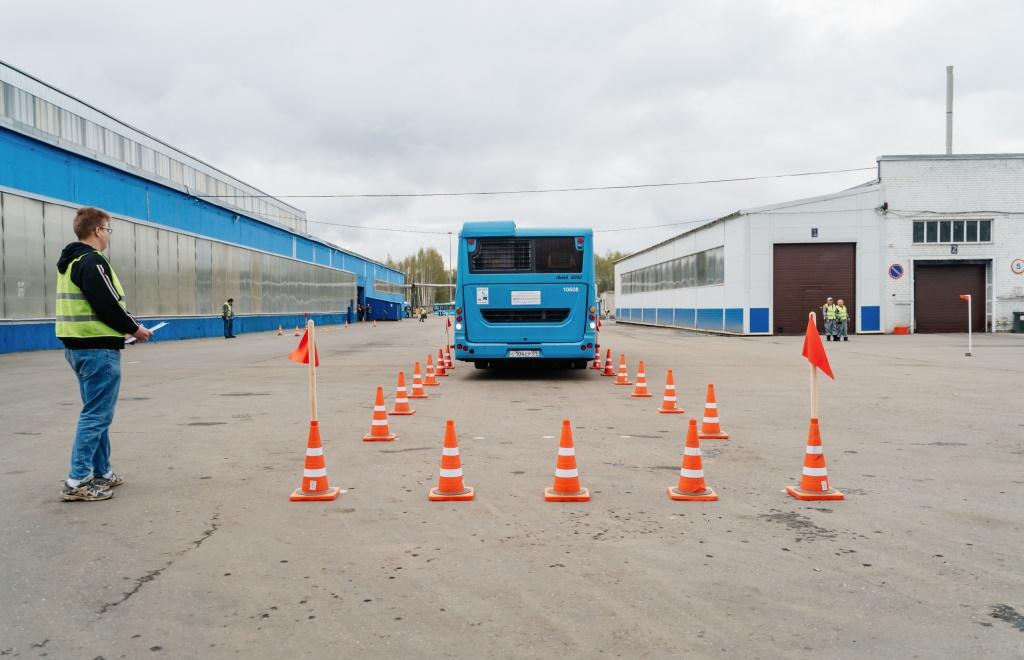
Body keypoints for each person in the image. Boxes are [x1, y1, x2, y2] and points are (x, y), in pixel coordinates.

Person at [56, 207, 152, 502]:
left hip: (78, 347)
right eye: (108, 229)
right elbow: (108, 304)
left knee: (95, 412)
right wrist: (136, 329)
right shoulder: (92, 261)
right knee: (97, 415)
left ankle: (102, 472)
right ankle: (77, 480)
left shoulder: (70, 262)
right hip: (97, 350)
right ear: (97, 230)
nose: (109, 235)